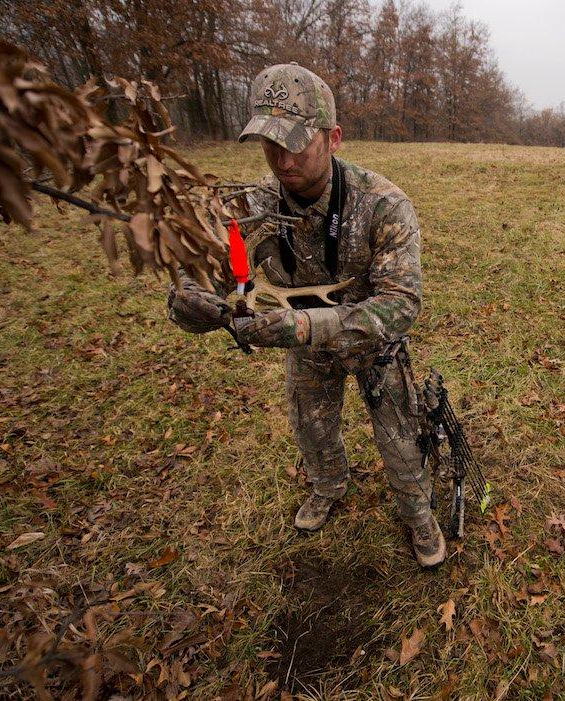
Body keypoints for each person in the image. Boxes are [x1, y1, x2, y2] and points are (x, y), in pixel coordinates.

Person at [166, 63, 445, 567]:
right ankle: (329, 487)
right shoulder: (251, 205)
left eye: (298, 141)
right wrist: (188, 300)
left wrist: (308, 325)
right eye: (270, 142)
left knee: (401, 438)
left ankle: (417, 511)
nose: (282, 157)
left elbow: (403, 302)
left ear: (334, 137)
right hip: (304, 349)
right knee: (311, 429)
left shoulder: (383, 205)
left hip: (371, 343)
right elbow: (206, 273)